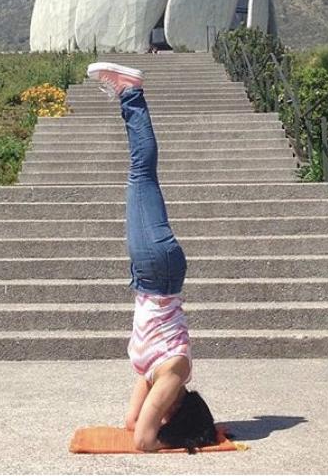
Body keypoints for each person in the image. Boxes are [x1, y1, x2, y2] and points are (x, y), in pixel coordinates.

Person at [86, 62, 219, 453]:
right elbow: (143, 440)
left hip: (151, 276)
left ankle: (130, 96)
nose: (155, 413)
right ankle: (131, 93)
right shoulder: (173, 375)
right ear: (175, 410)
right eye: (164, 414)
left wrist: (156, 421)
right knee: (141, 173)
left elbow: (131, 424)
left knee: (140, 175)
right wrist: (172, 437)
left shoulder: (151, 374)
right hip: (158, 272)